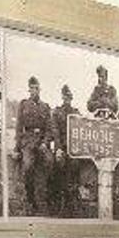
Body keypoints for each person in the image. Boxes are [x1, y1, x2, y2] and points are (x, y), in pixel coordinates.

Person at [14, 76, 54, 215]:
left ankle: (46, 195)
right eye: (31, 88)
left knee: (50, 161)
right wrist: (17, 147)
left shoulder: (45, 107)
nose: (34, 91)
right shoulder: (24, 105)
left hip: (41, 141)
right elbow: (19, 127)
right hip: (28, 141)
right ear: (29, 90)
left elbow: (49, 128)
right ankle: (29, 195)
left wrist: (45, 142)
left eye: (36, 88)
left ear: (39, 90)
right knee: (27, 165)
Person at [52, 84, 81, 215]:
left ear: (71, 99)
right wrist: (58, 148)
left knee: (75, 168)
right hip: (62, 147)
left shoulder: (76, 113)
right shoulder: (57, 112)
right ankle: (60, 203)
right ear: (62, 98)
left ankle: (73, 203)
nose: (67, 100)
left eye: (69, 98)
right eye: (65, 97)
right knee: (60, 169)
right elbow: (55, 131)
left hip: (73, 148)